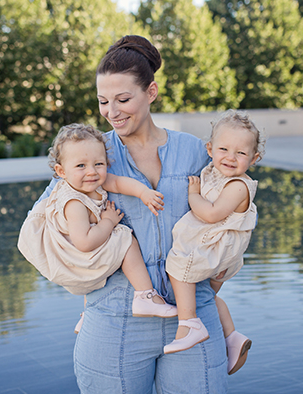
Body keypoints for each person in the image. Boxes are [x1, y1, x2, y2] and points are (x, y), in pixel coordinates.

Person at [30, 35, 228, 393]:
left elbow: (231, 220)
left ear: (150, 92)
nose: (112, 111)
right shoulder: (90, 153)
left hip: (193, 315)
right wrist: (83, 274)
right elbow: (43, 223)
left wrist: (215, 279)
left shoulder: (195, 151)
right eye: (103, 101)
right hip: (115, 318)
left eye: (123, 99)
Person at [17, 123, 178, 322]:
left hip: (84, 248)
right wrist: (108, 222)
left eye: (98, 164)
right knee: (125, 238)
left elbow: (118, 183)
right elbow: (84, 243)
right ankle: (145, 296)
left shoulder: (90, 182)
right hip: (76, 255)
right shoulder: (74, 203)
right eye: (81, 166)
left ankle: (87, 313)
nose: (92, 171)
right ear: (62, 171)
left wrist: (143, 193)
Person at [164, 110, 263, 377]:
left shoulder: (238, 186)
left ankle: (189, 324)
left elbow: (209, 213)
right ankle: (231, 336)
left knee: (177, 267)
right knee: (207, 294)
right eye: (223, 149)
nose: (230, 157)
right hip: (220, 249)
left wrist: (193, 194)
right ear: (209, 149)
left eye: (241, 153)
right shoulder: (214, 173)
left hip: (218, 249)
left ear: (254, 158)